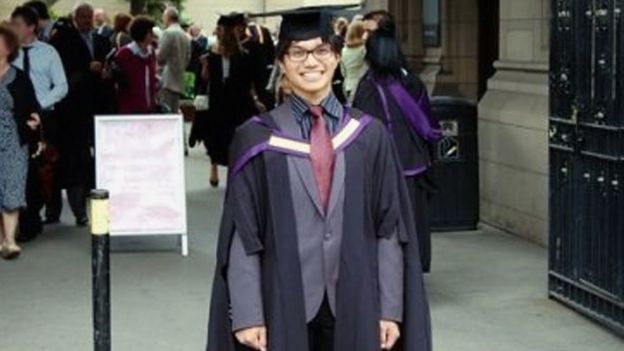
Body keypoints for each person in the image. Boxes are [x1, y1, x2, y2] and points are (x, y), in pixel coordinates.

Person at [206, 7, 431, 351]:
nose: (311, 62)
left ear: (337, 57)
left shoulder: (369, 137)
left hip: (357, 298)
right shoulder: (256, 140)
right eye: (297, 52)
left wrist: (390, 308)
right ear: (282, 62)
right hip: (281, 297)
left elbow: (391, 227)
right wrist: (248, 313)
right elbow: (242, 231)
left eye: (322, 50)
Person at [352, 15, 441, 273]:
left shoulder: (369, 87)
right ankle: (413, 268)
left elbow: (361, 132)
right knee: (413, 221)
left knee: (386, 222)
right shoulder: (412, 81)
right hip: (414, 164)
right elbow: (428, 125)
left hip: (383, 167)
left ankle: (390, 273)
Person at [48, 2, 112, 226]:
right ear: (75, 18)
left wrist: (106, 72)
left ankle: (88, 201)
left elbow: (109, 66)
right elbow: (61, 72)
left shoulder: (103, 40)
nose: (86, 21)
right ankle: (67, 210)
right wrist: (87, 68)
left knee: (90, 158)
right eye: (82, 17)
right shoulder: (64, 40)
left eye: (89, 17)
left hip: (96, 105)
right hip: (71, 110)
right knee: (72, 158)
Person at [11, 5, 67, 241]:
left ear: (31, 27)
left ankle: (32, 218)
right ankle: (18, 220)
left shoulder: (48, 53)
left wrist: (38, 104)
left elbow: (62, 85)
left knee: (37, 170)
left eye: (17, 25)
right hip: (12, 117)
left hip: (41, 117)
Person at [189, 14, 260, 188]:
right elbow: (205, 79)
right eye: (218, 29)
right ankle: (213, 167)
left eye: (221, 29)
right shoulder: (211, 53)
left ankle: (233, 169)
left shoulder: (242, 54)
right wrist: (205, 66)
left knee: (234, 136)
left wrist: (255, 99)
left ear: (228, 32)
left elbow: (248, 81)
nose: (218, 32)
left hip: (236, 100)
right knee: (215, 135)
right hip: (217, 100)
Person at [0, 25, 41, 259]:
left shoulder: (19, 77)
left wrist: (34, 120)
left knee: (12, 187)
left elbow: (31, 106)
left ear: (9, 48)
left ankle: (10, 240)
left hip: (14, 140)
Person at [113, 16, 158, 114]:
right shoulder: (125, 53)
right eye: (150, 32)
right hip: (130, 108)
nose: (152, 35)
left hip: (149, 107)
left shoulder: (151, 52)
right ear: (142, 33)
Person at [158, 6, 191, 114]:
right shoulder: (185, 35)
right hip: (179, 78)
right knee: (174, 112)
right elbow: (187, 58)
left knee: (165, 113)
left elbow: (160, 56)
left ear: (168, 17)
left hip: (166, 79)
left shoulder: (167, 33)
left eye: (163, 17)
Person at [340, 19, 368, 102]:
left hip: (347, 85)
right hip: (361, 86)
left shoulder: (344, 50)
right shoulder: (364, 49)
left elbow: (343, 72)